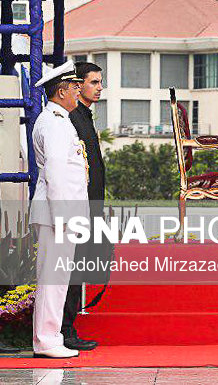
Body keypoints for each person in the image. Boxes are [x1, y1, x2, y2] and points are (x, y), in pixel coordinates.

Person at [29, 60, 87, 358]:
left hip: (61, 213)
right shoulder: (53, 122)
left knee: (57, 278)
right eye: (75, 87)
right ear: (61, 91)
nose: (79, 92)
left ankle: (49, 337)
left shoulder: (60, 120)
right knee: (52, 279)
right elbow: (54, 171)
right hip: (56, 214)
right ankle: (47, 339)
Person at [58, 61, 105, 351]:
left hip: (90, 206)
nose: (99, 88)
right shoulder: (72, 118)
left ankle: (67, 327)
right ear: (76, 85)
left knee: (78, 268)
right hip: (77, 206)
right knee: (70, 270)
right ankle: (64, 330)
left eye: (100, 82)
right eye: (93, 82)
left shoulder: (84, 116)